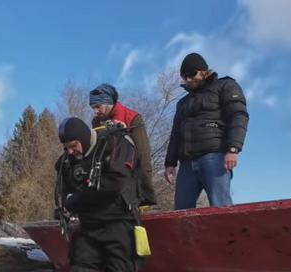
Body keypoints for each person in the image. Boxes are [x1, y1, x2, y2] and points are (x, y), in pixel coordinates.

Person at [55, 116, 140, 272]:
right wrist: (64, 206)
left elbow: (116, 183)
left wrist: (75, 200)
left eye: (73, 145)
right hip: (87, 227)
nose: (70, 151)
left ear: (84, 138)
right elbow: (63, 190)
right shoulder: (67, 162)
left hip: (118, 223)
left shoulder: (114, 144)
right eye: (66, 148)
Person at [164, 52, 249, 210]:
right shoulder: (183, 103)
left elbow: (238, 115)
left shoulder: (225, 86)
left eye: (191, 74)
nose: (188, 79)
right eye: (184, 76)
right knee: (181, 211)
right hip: (186, 163)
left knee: (220, 207)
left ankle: (226, 227)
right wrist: (170, 162)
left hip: (214, 157)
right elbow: (175, 133)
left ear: (204, 71)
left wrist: (233, 148)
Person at [89, 83, 157, 207]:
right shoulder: (96, 122)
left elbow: (143, 155)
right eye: (93, 107)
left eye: (98, 106)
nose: (95, 111)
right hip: (107, 177)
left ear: (109, 102)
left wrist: (146, 192)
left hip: (129, 174)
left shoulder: (132, 118)